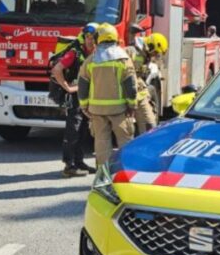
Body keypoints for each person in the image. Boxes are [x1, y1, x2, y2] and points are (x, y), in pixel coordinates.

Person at [79, 23, 137, 167]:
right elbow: (131, 86)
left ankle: (103, 176)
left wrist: (84, 105)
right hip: (119, 110)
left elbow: (82, 85)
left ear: (98, 38)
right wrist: (132, 105)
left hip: (96, 111)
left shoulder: (90, 61)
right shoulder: (124, 59)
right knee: (125, 140)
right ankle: (125, 171)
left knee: (101, 142)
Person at [50, 23, 97, 177]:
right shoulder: (74, 53)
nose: (90, 41)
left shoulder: (95, 52)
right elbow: (57, 70)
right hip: (74, 96)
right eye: (88, 37)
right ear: (83, 37)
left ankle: (79, 162)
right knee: (73, 130)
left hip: (85, 95)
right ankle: (69, 165)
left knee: (82, 129)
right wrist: (68, 88)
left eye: (93, 38)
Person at [125, 27, 168, 135]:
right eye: (155, 53)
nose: (154, 57)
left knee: (150, 124)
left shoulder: (144, 55)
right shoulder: (132, 52)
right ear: (151, 46)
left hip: (137, 93)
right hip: (128, 94)